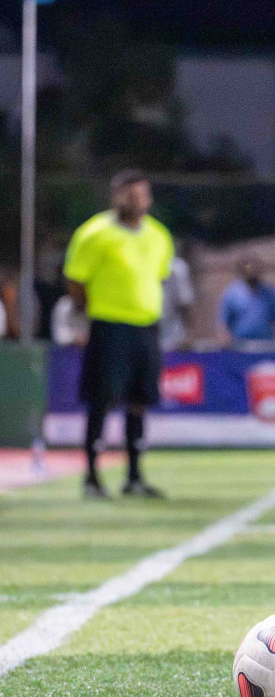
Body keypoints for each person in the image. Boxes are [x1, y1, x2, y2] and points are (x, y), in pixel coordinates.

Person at [63, 169, 176, 499]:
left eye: (142, 194)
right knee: (101, 399)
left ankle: (135, 477)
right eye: (130, 194)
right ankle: (92, 478)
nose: (137, 200)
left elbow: (158, 277)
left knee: (140, 401)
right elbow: (75, 280)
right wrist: (88, 312)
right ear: (116, 197)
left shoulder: (158, 236)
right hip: (110, 327)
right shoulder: (94, 233)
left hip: (146, 328)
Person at [220, 258, 275, 345]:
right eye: (247, 271)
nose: (251, 274)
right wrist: (223, 340)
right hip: (240, 345)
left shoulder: (270, 292)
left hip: (266, 344)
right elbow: (224, 320)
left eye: (253, 270)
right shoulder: (232, 293)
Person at [160, 251, 195, 350]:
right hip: (148, 327)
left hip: (172, 329)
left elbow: (185, 302)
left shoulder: (177, 267)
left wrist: (188, 332)